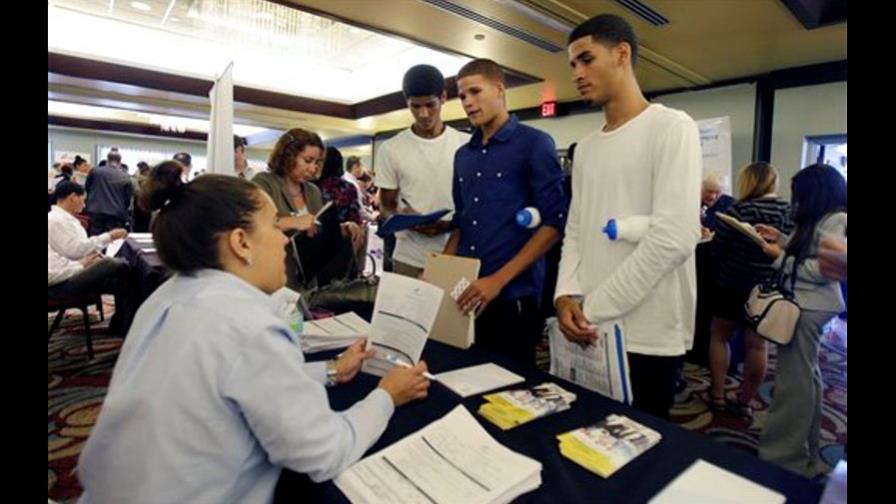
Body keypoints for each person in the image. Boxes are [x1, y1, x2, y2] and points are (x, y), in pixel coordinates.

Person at [76, 171, 430, 502]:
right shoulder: (250, 325)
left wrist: (333, 370)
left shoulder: (166, 297)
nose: (284, 240)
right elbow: (324, 452)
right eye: (275, 225)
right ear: (241, 242)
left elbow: (231, 381)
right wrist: (387, 395)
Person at [556, 14, 701, 420]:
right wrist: (565, 293)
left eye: (586, 59)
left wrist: (594, 306)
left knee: (638, 455)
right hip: (589, 328)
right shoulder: (585, 149)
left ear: (622, 54)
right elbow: (576, 231)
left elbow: (673, 238)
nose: (578, 73)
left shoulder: (672, 127)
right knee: (584, 439)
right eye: (573, 65)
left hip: (647, 333)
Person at [446, 58, 568, 367]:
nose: (468, 103)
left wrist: (498, 280)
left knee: (510, 396)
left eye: (475, 91)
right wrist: (441, 269)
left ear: (499, 89)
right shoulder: (463, 155)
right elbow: (462, 220)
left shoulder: (535, 144)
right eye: (462, 96)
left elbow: (554, 223)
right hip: (467, 292)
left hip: (513, 293)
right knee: (463, 376)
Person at [756, 163, 847, 478]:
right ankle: (801, 450)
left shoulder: (836, 219)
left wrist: (776, 256)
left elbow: (822, 270)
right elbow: (809, 252)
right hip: (808, 304)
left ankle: (783, 456)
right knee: (805, 377)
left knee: (793, 383)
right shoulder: (823, 218)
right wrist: (780, 239)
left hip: (811, 306)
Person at [707, 162, 792, 418]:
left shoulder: (740, 209)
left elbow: (717, 246)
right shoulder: (788, 211)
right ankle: (745, 401)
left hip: (732, 284)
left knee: (719, 337)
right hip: (767, 289)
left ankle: (718, 395)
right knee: (758, 346)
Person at [376, 64, 471, 278]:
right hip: (409, 256)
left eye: (430, 105)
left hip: (456, 253)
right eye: (415, 107)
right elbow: (386, 205)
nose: (423, 114)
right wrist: (401, 216)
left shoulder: (465, 145)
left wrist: (447, 225)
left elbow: (476, 206)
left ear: (444, 97)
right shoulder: (391, 148)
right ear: (406, 102)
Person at [252, 129, 363, 291]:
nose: (313, 168)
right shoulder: (264, 183)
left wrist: (343, 228)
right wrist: (292, 222)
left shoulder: (312, 191)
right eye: (308, 160)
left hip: (307, 280)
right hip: (272, 278)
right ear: (288, 156)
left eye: (317, 162)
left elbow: (316, 228)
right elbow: (251, 225)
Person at [48, 180, 137, 334]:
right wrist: (107, 237)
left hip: (70, 271)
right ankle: (124, 324)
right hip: (62, 282)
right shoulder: (55, 221)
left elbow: (75, 250)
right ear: (73, 197)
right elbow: (74, 252)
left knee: (126, 281)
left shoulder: (66, 219)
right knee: (115, 265)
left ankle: (123, 324)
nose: (85, 203)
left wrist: (90, 259)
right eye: (83, 198)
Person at [85, 150, 134, 235]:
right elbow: (127, 198)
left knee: (95, 237)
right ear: (120, 162)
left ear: (107, 160)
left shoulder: (95, 171)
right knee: (112, 239)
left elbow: (87, 187)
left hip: (95, 209)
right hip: (115, 212)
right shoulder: (125, 176)